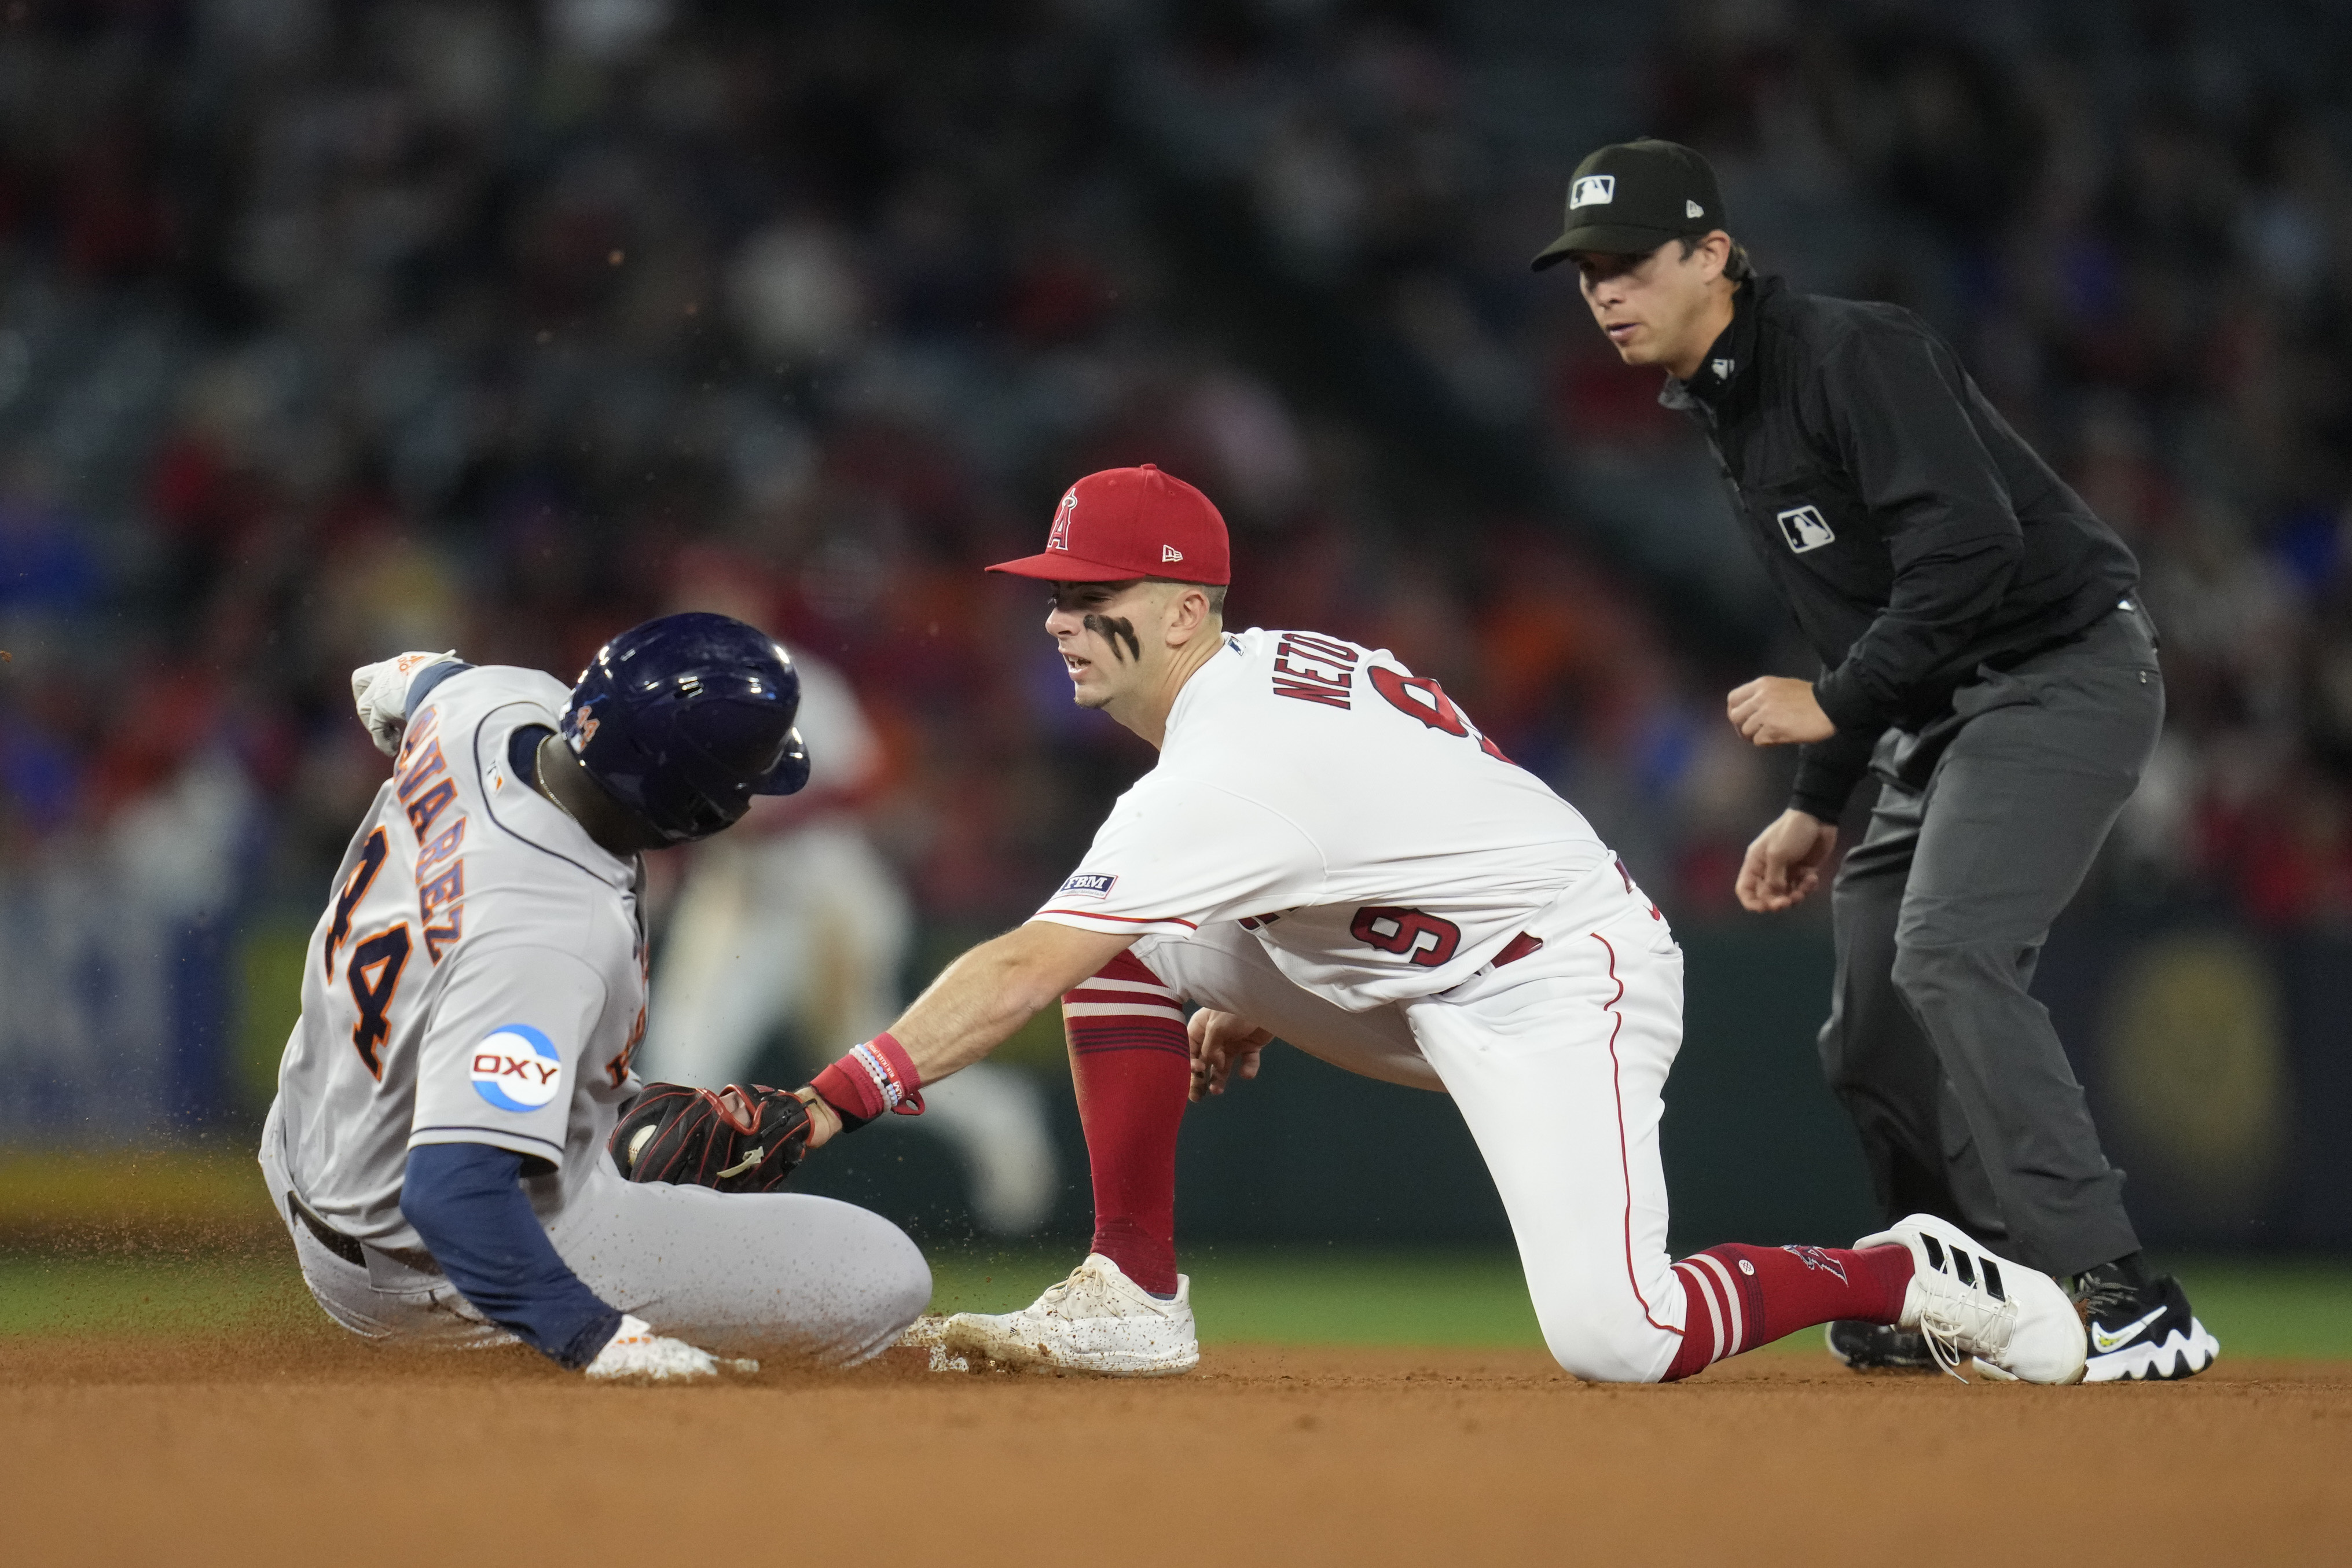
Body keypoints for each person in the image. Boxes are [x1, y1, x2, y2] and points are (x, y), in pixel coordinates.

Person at [738, 464, 2087, 1386]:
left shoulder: (1233, 757)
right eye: (1055, 592)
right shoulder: (1263, 687)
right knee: (1141, 939)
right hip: (1402, 958)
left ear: (1190, 609)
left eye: (1098, 596)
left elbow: (1026, 966)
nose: (1064, 619)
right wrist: (1272, 967)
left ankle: (1895, 1272)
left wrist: (825, 1107)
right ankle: (1133, 1294)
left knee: (1619, 1337)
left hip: (1555, 977)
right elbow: (1427, 802)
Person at [1532, 138, 2218, 1382]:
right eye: (1587, 271)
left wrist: (1835, 704)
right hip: (1935, 712)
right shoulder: (1729, 402)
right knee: (1868, 1029)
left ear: (1715, 255)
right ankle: (1967, 1285)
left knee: (1950, 950)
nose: (1604, 290)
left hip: (2059, 671)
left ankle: (2124, 1292)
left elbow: (1973, 554)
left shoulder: (1851, 351)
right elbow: (1859, 615)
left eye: (1629, 261)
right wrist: (1817, 801)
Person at [258, 614, 929, 1378]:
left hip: (312, 1142)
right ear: (697, 809)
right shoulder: (551, 936)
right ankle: (531, 1343)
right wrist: (605, 1343)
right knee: (882, 1274)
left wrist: (391, 695)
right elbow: (453, 1194)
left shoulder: (493, 704)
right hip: (427, 1259)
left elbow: (411, 677)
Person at [643, 645, 1057, 1235]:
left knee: (861, 1061)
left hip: (825, 901)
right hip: (736, 903)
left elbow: (867, 779)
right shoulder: (666, 693)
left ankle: (998, 1113)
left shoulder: (798, 682)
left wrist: (769, 814)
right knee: (681, 1064)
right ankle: (668, 1227)